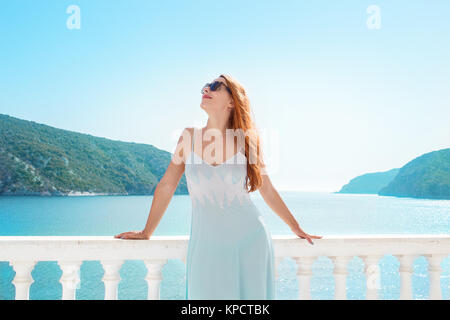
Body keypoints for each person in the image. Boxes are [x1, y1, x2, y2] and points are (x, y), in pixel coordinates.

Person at [115, 74, 322, 299]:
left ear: (232, 101)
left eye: (216, 86)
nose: (206, 88)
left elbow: (267, 189)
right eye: (206, 85)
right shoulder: (188, 137)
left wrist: (295, 227)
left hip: (250, 240)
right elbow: (166, 186)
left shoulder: (246, 140)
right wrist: (147, 232)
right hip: (206, 245)